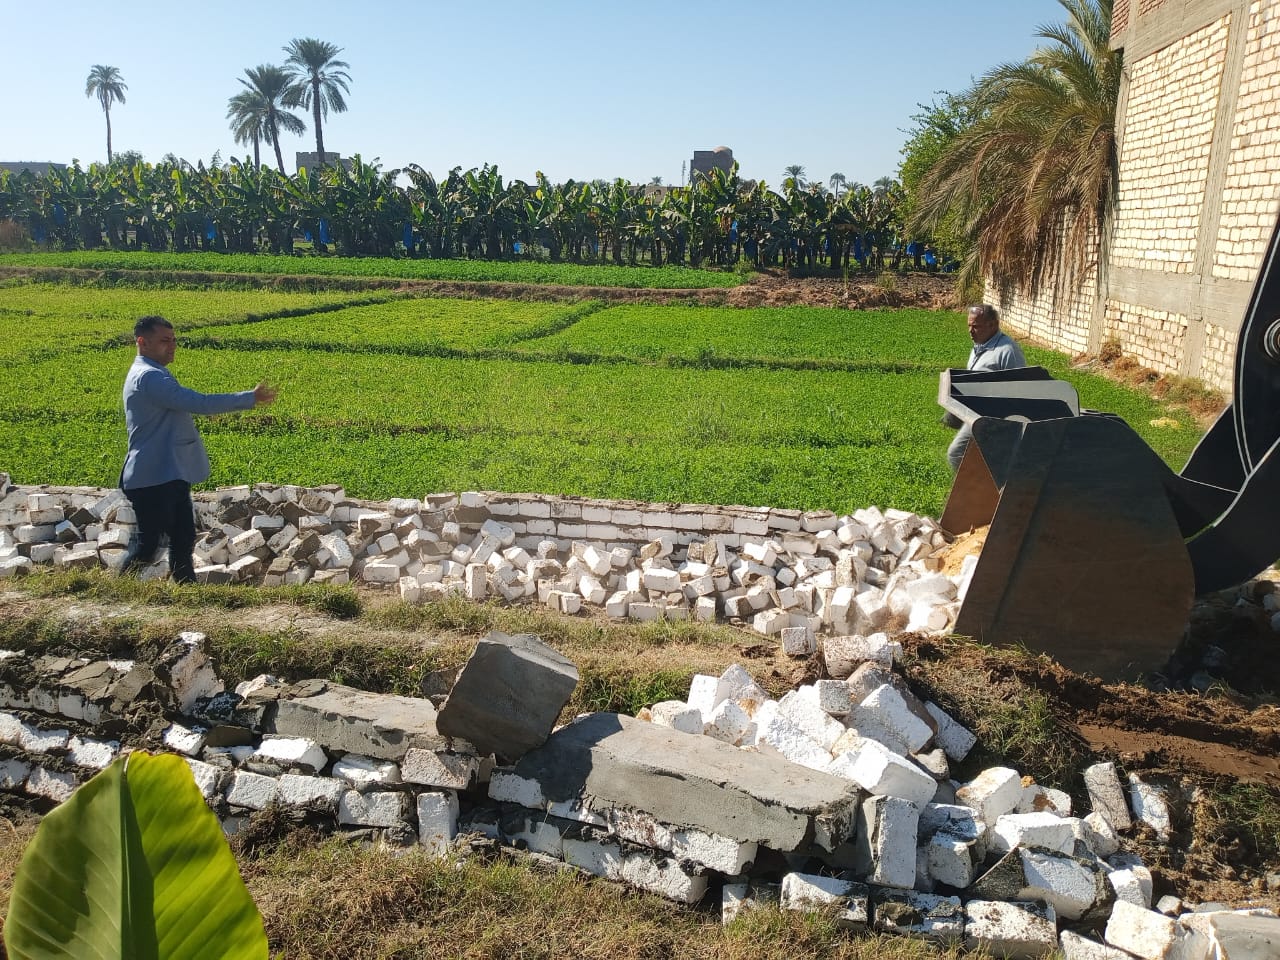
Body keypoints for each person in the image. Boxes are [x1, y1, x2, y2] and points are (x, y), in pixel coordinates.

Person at [120, 315, 277, 583]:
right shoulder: (149, 377)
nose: (172, 346)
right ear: (142, 343)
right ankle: (117, 591)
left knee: (182, 537)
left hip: (169, 471)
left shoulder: (154, 371)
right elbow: (198, 402)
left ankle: (186, 588)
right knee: (148, 545)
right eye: (164, 341)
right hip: (153, 475)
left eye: (174, 340)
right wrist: (249, 398)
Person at [945, 303, 1027, 472]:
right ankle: (984, 490)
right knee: (974, 457)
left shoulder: (1007, 351)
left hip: (992, 417)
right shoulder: (980, 346)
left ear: (993, 325)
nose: (970, 331)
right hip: (976, 412)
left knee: (957, 453)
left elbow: (1020, 387)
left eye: (976, 326)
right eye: (969, 326)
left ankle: (980, 491)